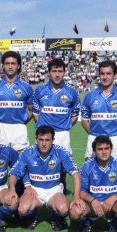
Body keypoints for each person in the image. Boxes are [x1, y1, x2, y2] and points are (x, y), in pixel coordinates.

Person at [5, 125, 85, 231]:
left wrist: (76, 197)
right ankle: (33, 215)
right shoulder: (27, 152)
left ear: (53, 140)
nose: (43, 143)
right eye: (41, 139)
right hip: (34, 190)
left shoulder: (61, 152)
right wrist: (12, 189)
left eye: (47, 140)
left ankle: (55, 218)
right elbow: (14, 173)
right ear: (36, 139)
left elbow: (75, 174)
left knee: (64, 209)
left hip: (54, 190)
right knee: (22, 210)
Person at [33, 58, 81, 193]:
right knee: (42, 160)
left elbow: (75, 114)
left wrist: (64, 126)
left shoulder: (71, 92)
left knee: (62, 163)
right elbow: (36, 113)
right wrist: (43, 128)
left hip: (62, 134)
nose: (57, 74)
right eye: (54, 71)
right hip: (43, 134)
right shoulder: (40, 90)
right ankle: (41, 186)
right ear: (49, 72)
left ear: (65, 72)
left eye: (60, 71)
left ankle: (61, 185)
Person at [70, 136, 117, 232]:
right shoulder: (87, 166)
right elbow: (81, 191)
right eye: (100, 149)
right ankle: (86, 224)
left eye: (107, 148)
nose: (104, 152)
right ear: (94, 151)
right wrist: (92, 200)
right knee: (74, 212)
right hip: (92, 206)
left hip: (112, 205)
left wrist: (114, 198)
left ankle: (114, 226)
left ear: (111, 150)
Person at [81, 60, 117, 163]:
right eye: (102, 73)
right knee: (92, 175)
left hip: (116, 140)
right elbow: (84, 121)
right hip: (95, 139)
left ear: (114, 75)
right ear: (99, 75)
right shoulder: (89, 97)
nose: (105, 77)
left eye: (108, 73)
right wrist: (94, 134)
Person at [0, 50, 34, 153]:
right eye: (7, 63)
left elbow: (31, 110)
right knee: (0, 163)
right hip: (0, 127)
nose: (10, 66)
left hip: (19, 128)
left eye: (13, 63)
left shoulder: (27, 87)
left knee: (20, 164)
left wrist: (22, 122)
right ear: (3, 65)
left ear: (18, 66)